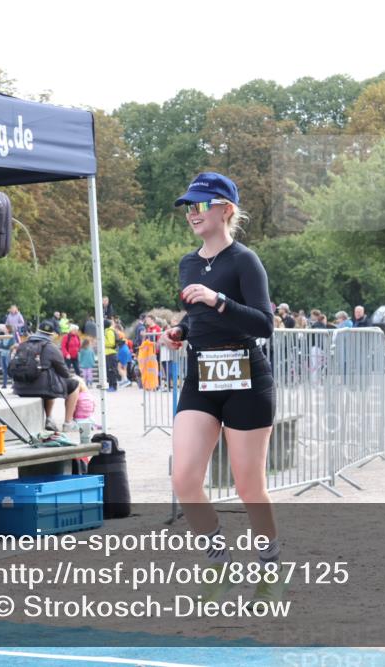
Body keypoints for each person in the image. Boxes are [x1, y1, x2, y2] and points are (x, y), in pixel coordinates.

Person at [159, 171, 284, 606]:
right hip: (202, 377)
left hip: (248, 376)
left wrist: (219, 300)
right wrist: (178, 331)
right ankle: (217, 564)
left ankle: (269, 565)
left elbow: (264, 324)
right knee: (185, 478)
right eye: (188, 206)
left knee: (249, 486)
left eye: (200, 205)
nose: (192, 213)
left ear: (225, 210)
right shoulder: (189, 263)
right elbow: (197, 321)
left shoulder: (244, 260)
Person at [11, 319, 80, 432]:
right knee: (74, 385)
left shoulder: (23, 345)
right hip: (42, 389)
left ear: (37, 332)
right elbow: (65, 373)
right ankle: (68, 423)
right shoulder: (51, 347)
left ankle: (50, 419)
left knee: (47, 382)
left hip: (20, 388)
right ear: (51, 335)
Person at [103, 319, 119, 392]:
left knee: (111, 370)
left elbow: (111, 343)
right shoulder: (107, 331)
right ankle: (110, 385)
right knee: (108, 371)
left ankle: (113, 386)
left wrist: (102, 343)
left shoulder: (109, 331)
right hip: (108, 353)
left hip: (111, 353)